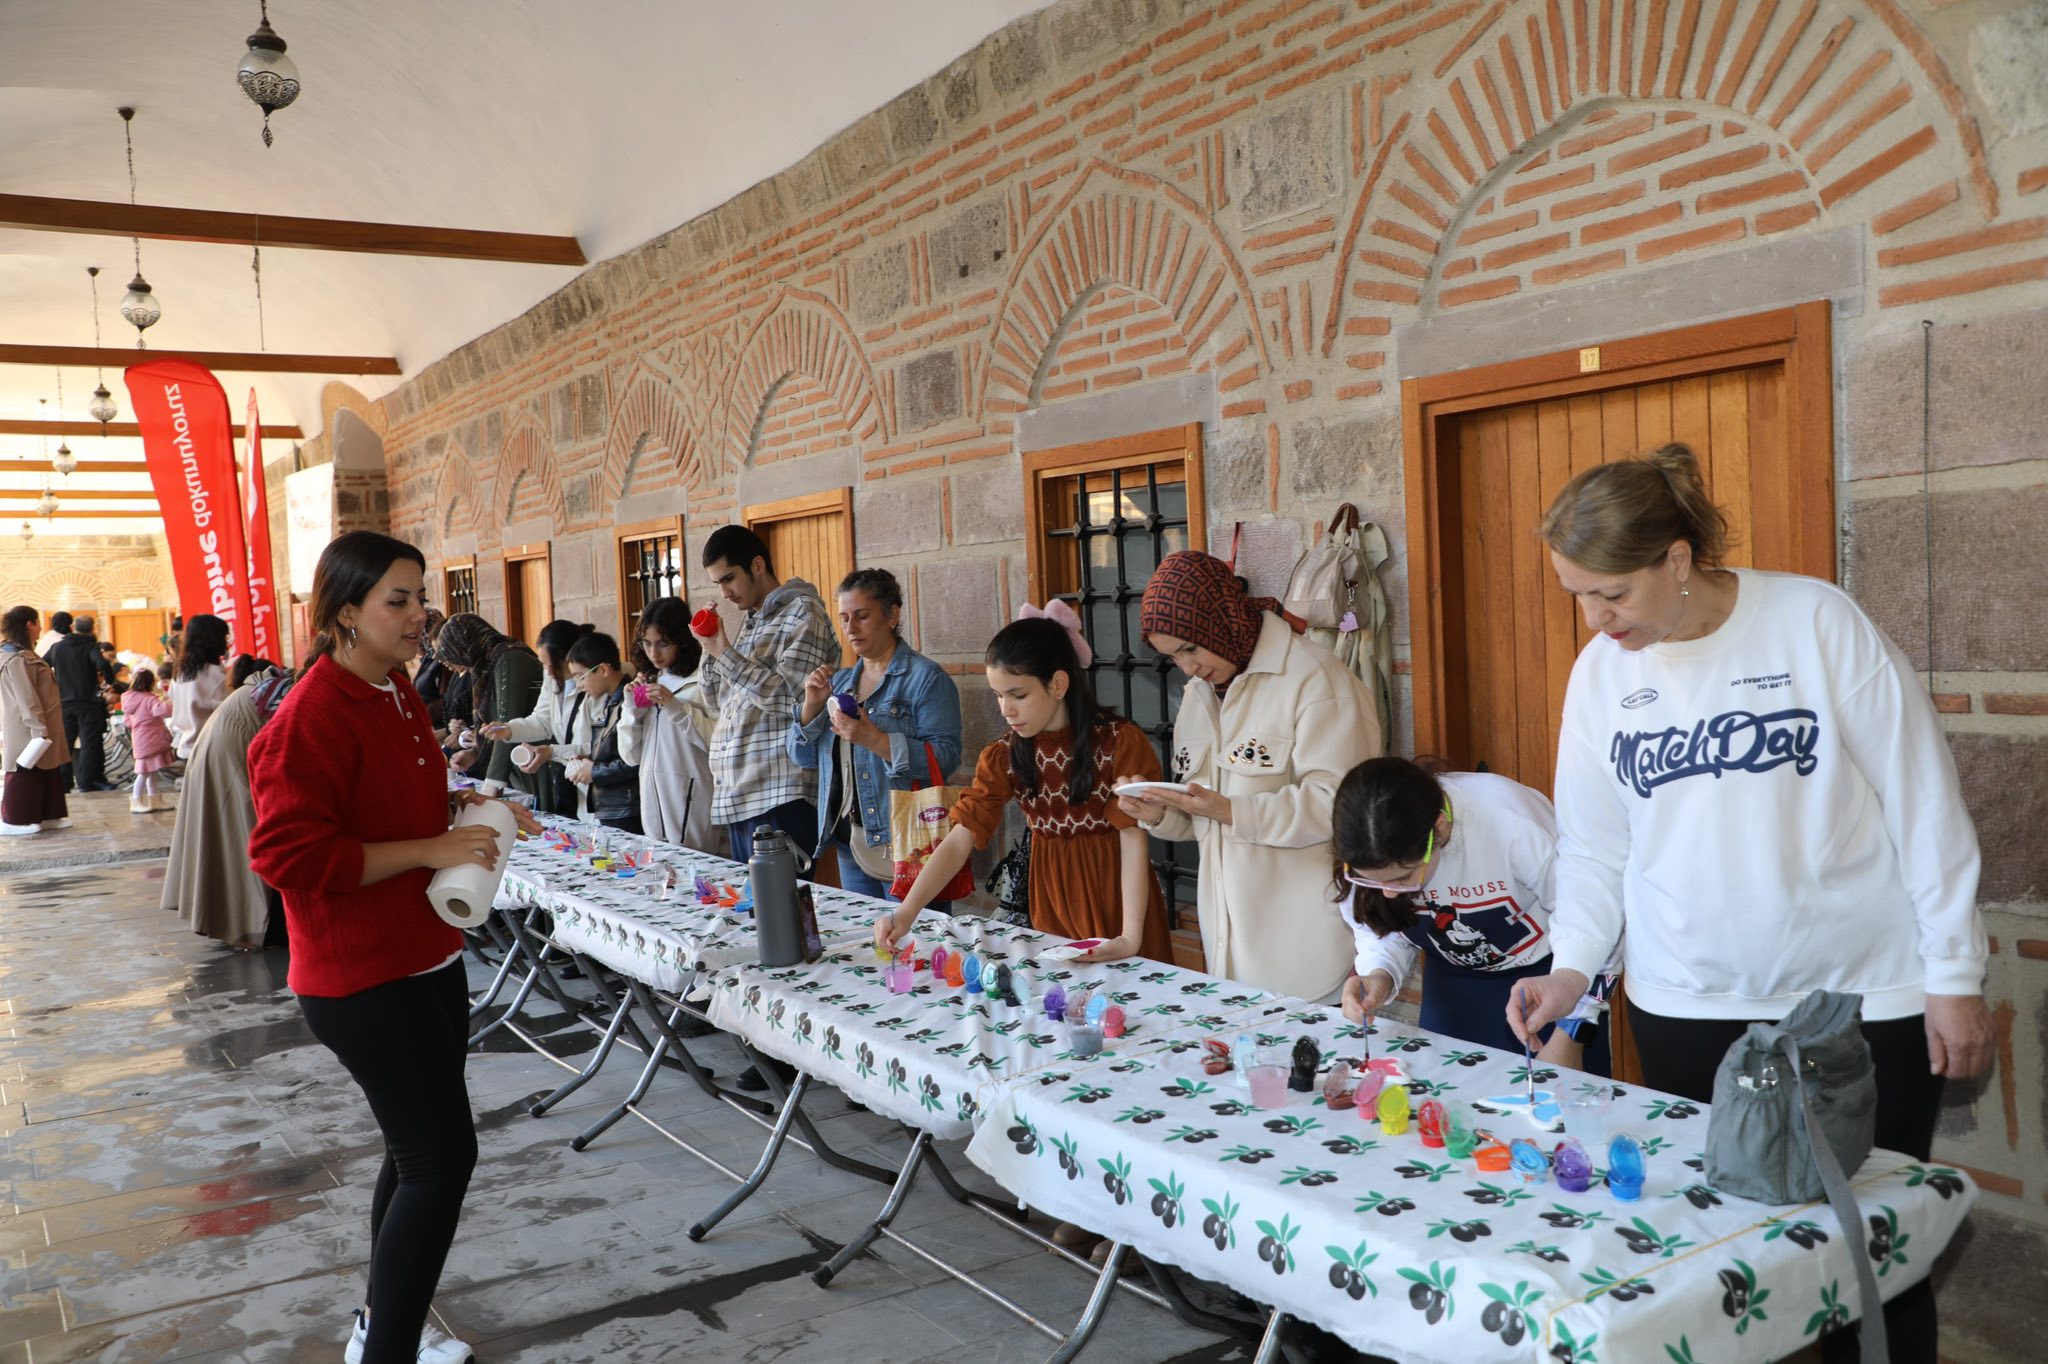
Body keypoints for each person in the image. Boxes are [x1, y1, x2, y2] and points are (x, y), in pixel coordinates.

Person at [1505, 445, 1991, 1364]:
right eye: (1577, 595)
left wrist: (1954, 973)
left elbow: (1922, 798)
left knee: (1872, 1256)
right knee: (1720, 1258)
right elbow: (1595, 847)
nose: (1595, 619)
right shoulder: (1602, 675)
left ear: (1677, 559)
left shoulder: (1813, 622)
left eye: (1612, 593)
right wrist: (1570, 970)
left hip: (1861, 1000)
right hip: (1688, 1006)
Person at [249, 530, 531, 1364]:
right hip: (362, 977)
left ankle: (380, 1329)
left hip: (427, 954)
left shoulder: (395, 686)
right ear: (345, 614)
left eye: (421, 598)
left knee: (416, 1156)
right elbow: (289, 857)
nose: (418, 616)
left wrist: (462, 811)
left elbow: (391, 803)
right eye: (397, 601)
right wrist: (429, 848)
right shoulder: (311, 716)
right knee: (441, 1160)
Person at [1117, 551, 1381, 1000]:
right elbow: (1206, 819)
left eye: (1189, 648)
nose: (1187, 667)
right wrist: (1158, 813)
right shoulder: (1200, 694)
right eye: (1173, 657)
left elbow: (1342, 807)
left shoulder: (1316, 679)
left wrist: (1231, 811)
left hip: (1310, 957)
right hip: (1230, 958)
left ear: (1217, 619)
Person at [874, 607, 1171, 965]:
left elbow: (1133, 835)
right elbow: (958, 840)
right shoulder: (1004, 756)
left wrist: (1130, 938)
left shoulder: (1119, 743)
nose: (1006, 710)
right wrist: (906, 912)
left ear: (1058, 684)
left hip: (1123, 903)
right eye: (998, 695)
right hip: (1052, 906)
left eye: (1018, 695)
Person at [1329, 757, 1609, 1068]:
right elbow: (1380, 929)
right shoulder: (1363, 850)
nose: (1390, 893)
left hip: (1550, 984)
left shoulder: (1512, 823)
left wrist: (1572, 1031)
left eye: (1404, 878)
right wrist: (1379, 973)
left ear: (1439, 828)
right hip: (1451, 987)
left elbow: (1596, 924)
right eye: (1371, 881)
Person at [791, 568, 962, 902]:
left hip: (908, 841)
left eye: (862, 616)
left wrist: (875, 740)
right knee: (869, 935)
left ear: (892, 615)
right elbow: (803, 757)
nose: (851, 628)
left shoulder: (927, 679)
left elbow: (946, 758)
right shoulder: (840, 683)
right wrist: (811, 706)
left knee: (915, 932)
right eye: (844, 618)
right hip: (849, 842)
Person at [697, 525, 837, 860]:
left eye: (729, 578)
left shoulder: (803, 611)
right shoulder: (752, 620)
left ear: (757, 565)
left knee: (782, 894)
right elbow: (716, 701)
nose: (725, 592)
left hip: (780, 793)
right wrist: (710, 647)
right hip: (740, 794)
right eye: (718, 583)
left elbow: (793, 699)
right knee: (752, 896)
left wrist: (725, 654)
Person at [162, 665, 297, 950]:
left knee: (230, 837)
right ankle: (252, 924)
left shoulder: (276, 687)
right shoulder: (295, 691)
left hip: (221, 748)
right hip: (230, 752)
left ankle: (237, 918)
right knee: (242, 838)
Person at [618, 597, 720, 854]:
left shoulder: (702, 682)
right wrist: (632, 711)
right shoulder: (649, 682)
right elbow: (630, 756)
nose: (654, 653)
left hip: (694, 803)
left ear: (682, 640)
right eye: (647, 643)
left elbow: (717, 742)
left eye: (663, 644)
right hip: (652, 808)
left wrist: (675, 706)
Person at [478, 619, 591, 816]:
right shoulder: (553, 677)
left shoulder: (594, 684)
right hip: (567, 773)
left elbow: (595, 745)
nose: (548, 672)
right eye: (544, 665)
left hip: (592, 777)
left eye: (552, 666)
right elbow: (542, 721)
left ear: (570, 658)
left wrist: (551, 752)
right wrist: (509, 729)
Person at [434, 613, 543, 800]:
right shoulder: (486, 665)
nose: (449, 664)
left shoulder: (510, 658)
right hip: (517, 764)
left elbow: (506, 723)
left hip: (534, 759)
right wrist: (475, 753)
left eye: (452, 654)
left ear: (465, 643)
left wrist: (493, 783)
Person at [559, 632, 640, 833]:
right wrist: (589, 759)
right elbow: (611, 750)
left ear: (603, 669)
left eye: (581, 676)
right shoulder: (610, 700)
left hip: (626, 808)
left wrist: (593, 771)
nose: (579, 684)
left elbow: (633, 762)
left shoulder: (629, 702)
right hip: (614, 806)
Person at [0, 605, 70, 836]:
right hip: (27, 726)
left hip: (40, 723)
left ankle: (47, 814)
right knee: (24, 770)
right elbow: (26, 698)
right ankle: (13, 819)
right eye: (38, 623)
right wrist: (38, 729)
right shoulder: (15, 658)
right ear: (29, 624)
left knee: (47, 768)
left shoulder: (24, 653)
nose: (41, 628)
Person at [48, 611, 120, 792]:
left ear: (73, 627)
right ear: (92, 629)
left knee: (65, 743)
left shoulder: (57, 647)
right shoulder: (90, 646)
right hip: (88, 702)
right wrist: (106, 685)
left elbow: (42, 664)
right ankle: (87, 782)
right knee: (90, 742)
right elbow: (103, 665)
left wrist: (53, 686)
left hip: (64, 703)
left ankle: (63, 783)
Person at [169, 614, 232, 762]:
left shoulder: (179, 673)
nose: (226, 642)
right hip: (211, 751)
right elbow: (234, 711)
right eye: (224, 636)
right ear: (213, 639)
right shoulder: (215, 676)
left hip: (187, 748)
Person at [121, 668, 175, 814]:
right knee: (144, 772)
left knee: (151, 771)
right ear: (150, 682)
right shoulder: (149, 699)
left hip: (140, 737)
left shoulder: (129, 698)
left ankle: (154, 799)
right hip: (151, 739)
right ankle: (136, 800)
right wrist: (172, 702)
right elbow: (163, 711)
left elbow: (127, 720)